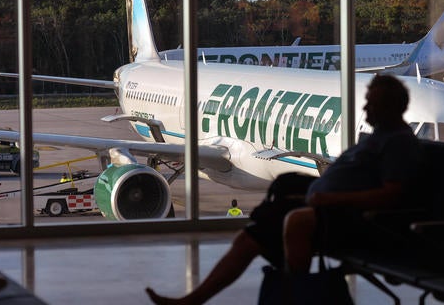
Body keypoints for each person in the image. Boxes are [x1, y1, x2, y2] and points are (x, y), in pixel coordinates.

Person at [145, 74, 421, 305]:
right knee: (250, 237)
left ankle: (294, 294)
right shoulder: (381, 136)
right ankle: (195, 299)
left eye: (371, 105)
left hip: (347, 218)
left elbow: (391, 194)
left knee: (290, 222)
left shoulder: (397, 143)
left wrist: (329, 197)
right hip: (329, 208)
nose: (365, 111)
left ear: (390, 108)